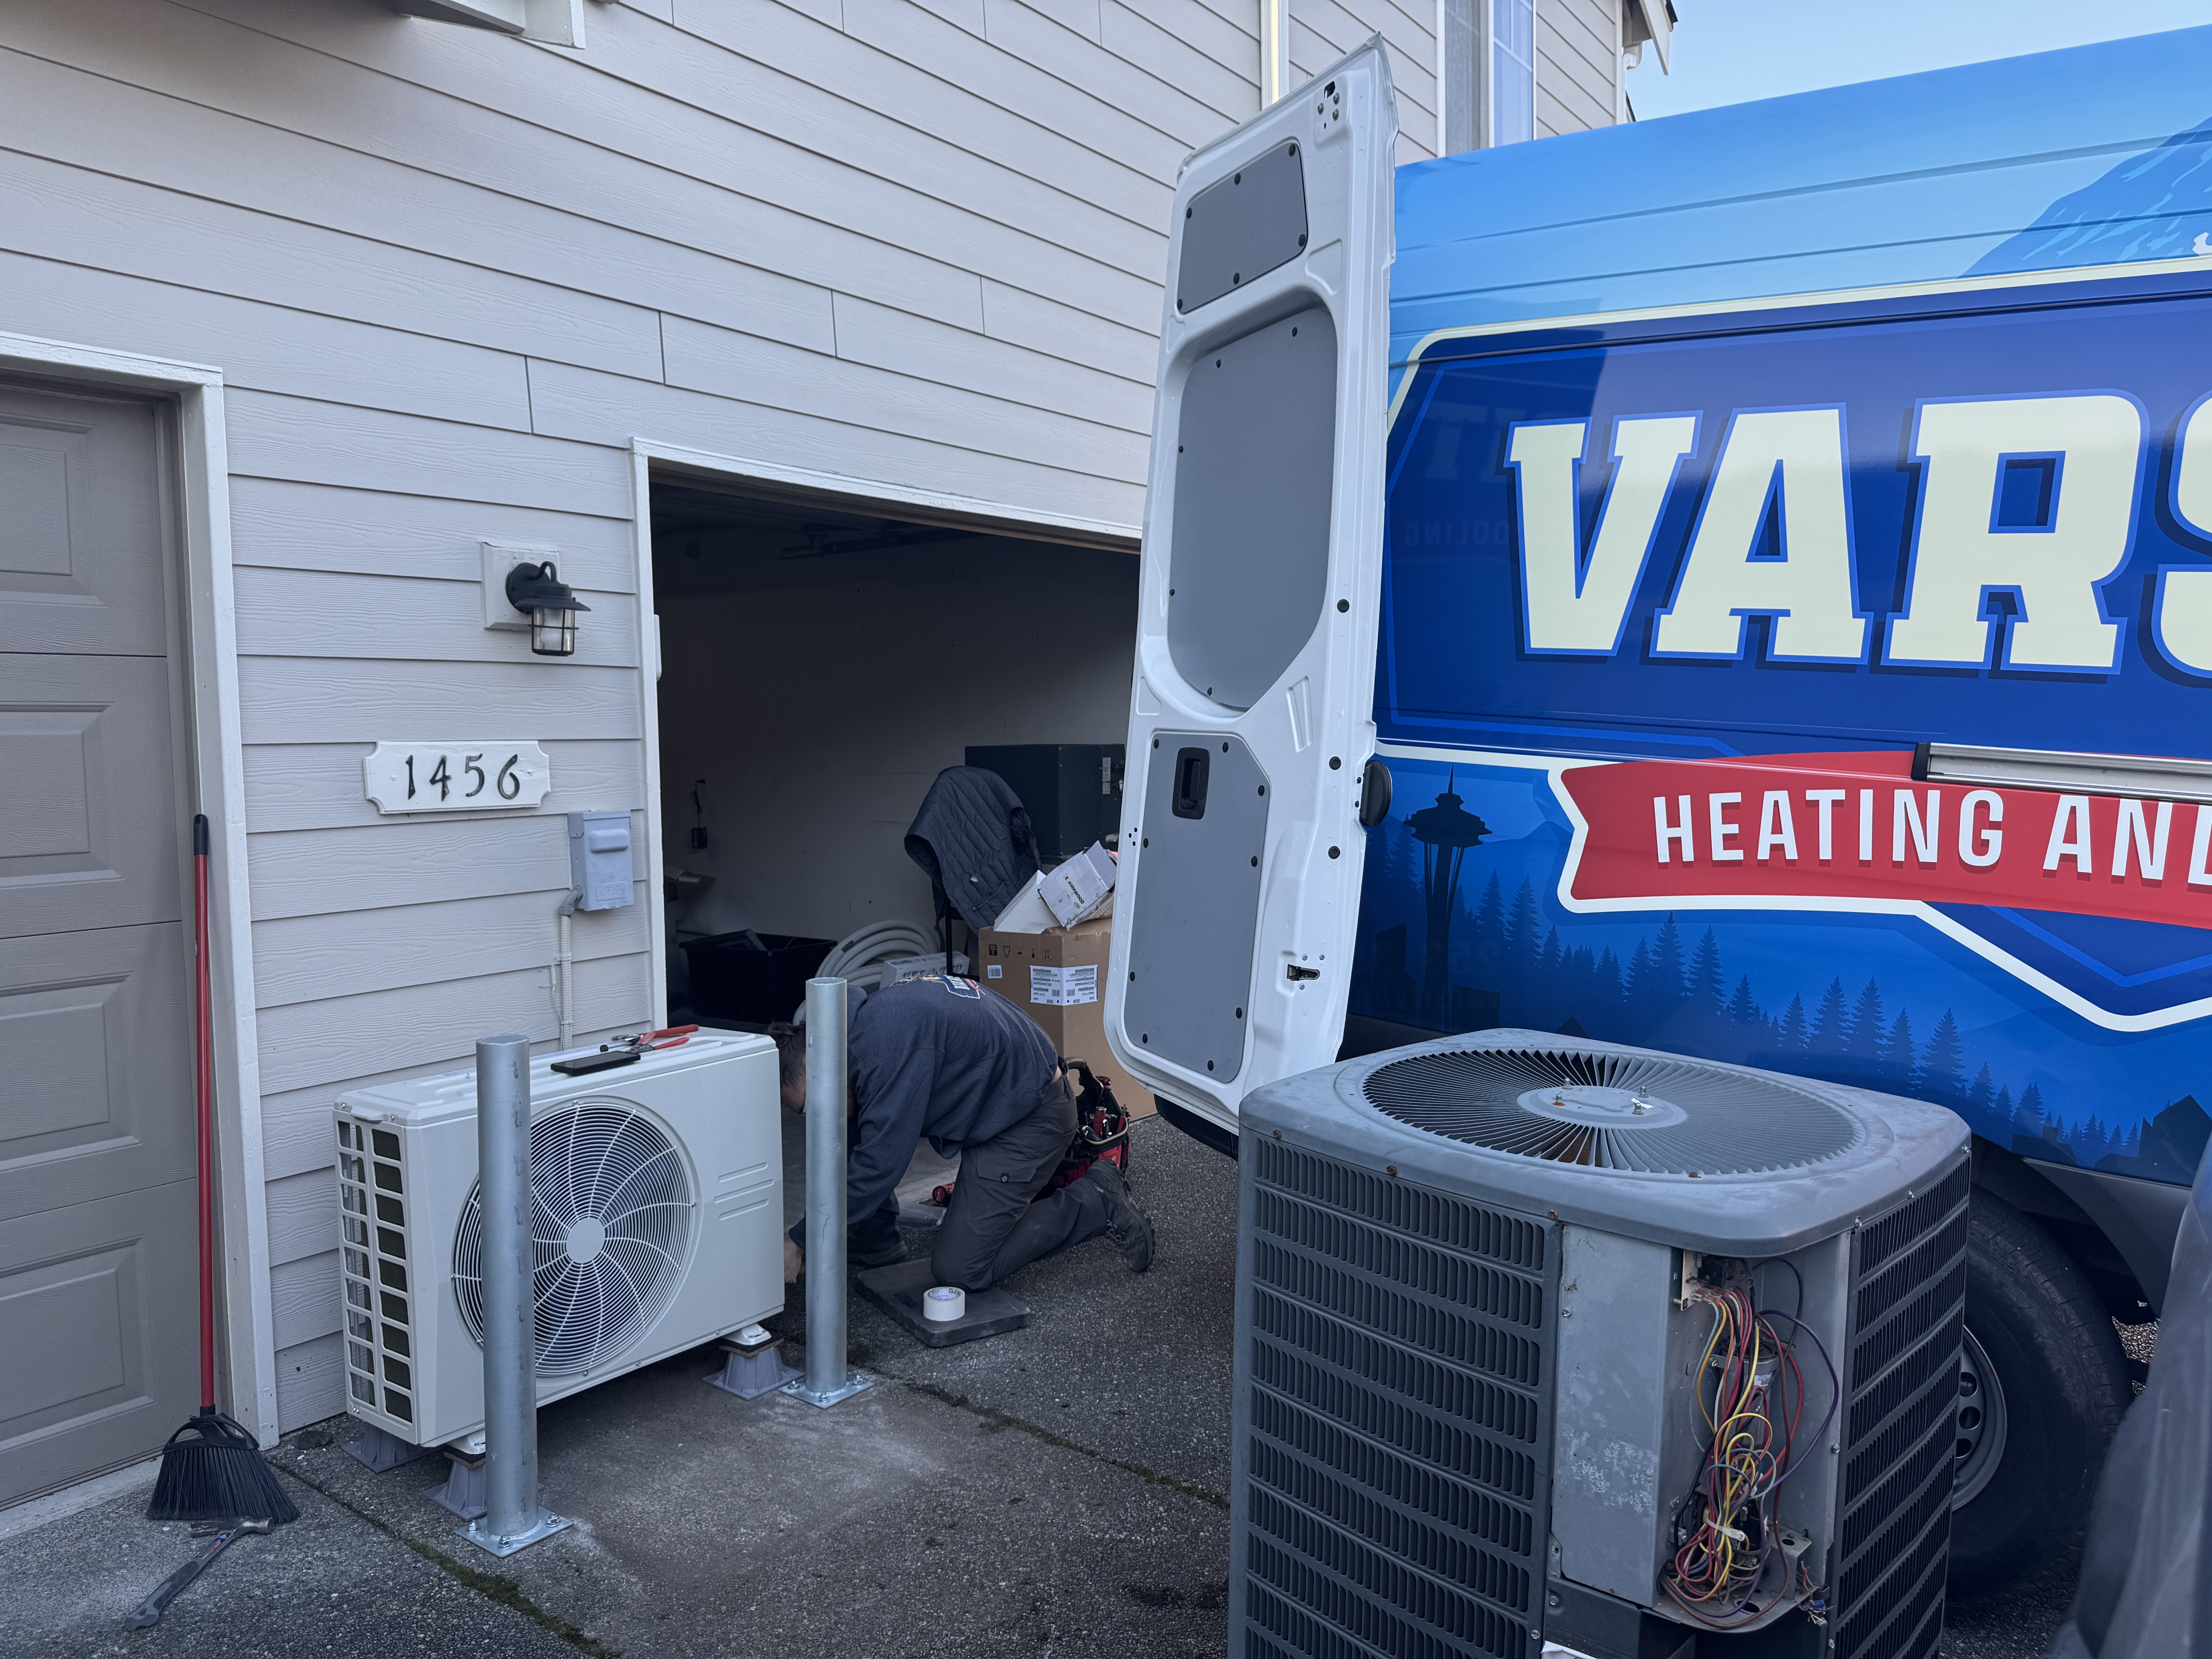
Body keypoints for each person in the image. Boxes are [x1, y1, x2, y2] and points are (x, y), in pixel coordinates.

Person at [775, 972, 1154, 1292]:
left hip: (1030, 1121)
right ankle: (875, 1239)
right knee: (849, 1112)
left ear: (818, 1061)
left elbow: (879, 1165)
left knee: (960, 1270)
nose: (815, 1119)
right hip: (1005, 1103)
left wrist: (802, 1237)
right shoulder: (862, 1027)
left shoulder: (884, 1052)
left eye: (809, 1106)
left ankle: (1096, 1199)